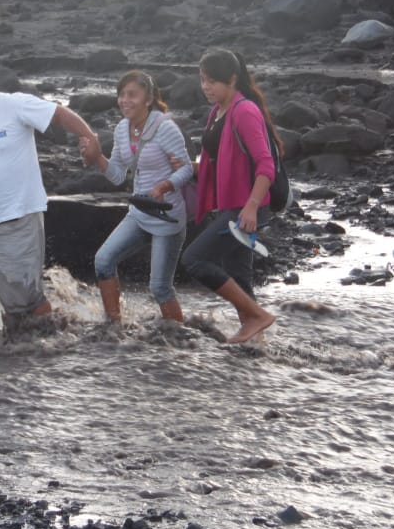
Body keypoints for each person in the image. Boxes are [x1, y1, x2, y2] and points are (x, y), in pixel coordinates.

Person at [0, 57, 101, 331]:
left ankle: (56, 343)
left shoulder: (14, 105)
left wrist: (90, 138)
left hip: (16, 222)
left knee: (26, 310)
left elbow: (58, 113)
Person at [181, 50, 281, 344]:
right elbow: (221, 158)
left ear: (233, 79)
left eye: (212, 81)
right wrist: (191, 168)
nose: (205, 87)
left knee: (194, 259)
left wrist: (250, 208)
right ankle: (256, 349)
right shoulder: (218, 112)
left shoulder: (245, 111)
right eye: (203, 80)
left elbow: (266, 165)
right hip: (231, 206)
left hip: (245, 208)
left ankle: (258, 317)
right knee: (239, 276)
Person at [80, 71, 194, 324]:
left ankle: (182, 340)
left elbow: (186, 168)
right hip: (140, 212)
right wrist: (96, 157)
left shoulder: (165, 128)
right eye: (121, 95)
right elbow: (118, 176)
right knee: (103, 261)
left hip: (167, 215)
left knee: (159, 288)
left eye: (132, 94)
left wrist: (165, 185)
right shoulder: (122, 129)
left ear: (149, 99)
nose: (124, 100)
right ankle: (114, 328)